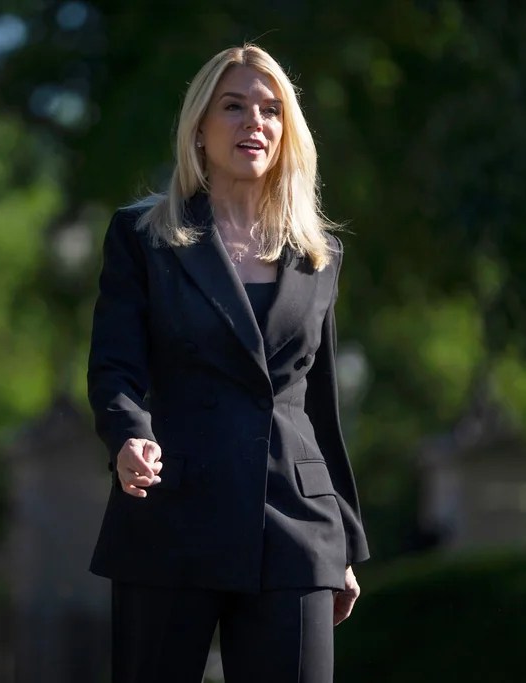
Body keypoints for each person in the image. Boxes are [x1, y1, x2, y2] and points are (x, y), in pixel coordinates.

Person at [87, 43, 369, 683]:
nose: (254, 123)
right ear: (200, 127)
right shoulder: (143, 237)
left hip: (296, 528)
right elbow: (114, 367)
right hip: (171, 516)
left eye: (271, 110)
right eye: (234, 106)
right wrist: (127, 433)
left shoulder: (318, 255)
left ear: (287, 132)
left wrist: (342, 544)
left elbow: (318, 407)